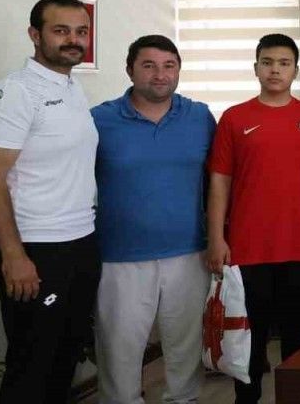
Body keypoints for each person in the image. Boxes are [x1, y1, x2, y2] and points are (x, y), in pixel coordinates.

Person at [0, 0, 100, 404]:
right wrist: (13, 255)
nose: (73, 40)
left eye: (81, 31)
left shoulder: (71, 87)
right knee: (32, 365)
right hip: (34, 248)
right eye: (61, 30)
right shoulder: (14, 92)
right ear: (35, 34)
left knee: (65, 357)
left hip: (78, 241)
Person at [91, 35, 216, 404]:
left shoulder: (199, 117)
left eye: (168, 66)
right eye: (149, 66)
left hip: (189, 252)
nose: (160, 75)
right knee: (119, 349)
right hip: (119, 256)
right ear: (129, 70)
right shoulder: (99, 120)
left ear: (179, 70)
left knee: (186, 347)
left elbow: (218, 181)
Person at [206, 33, 300, 404]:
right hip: (249, 247)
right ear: (256, 68)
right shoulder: (234, 118)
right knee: (249, 340)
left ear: (295, 70)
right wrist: (216, 237)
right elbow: (220, 181)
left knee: (296, 339)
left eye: (284, 63)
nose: (275, 70)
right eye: (268, 62)